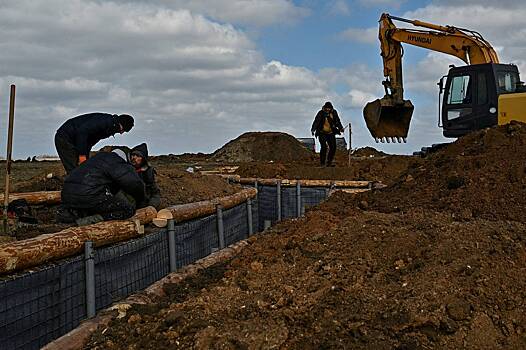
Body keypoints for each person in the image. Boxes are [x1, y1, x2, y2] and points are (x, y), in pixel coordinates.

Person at [57, 149, 145, 226]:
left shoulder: (96, 158)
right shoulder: (117, 162)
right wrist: (140, 200)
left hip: (66, 194)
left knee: (96, 201)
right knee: (128, 209)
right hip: (87, 196)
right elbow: (134, 183)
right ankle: (85, 222)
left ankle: (71, 213)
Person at [55, 112, 135, 174]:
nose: (121, 133)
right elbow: (82, 132)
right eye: (123, 130)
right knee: (74, 171)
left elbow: (89, 142)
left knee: (82, 169)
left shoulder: (109, 128)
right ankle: (73, 192)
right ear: (121, 124)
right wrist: (82, 155)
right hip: (65, 137)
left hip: (74, 140)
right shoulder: (105, 122)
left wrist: (85, 156)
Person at [311, 101, 344, 167]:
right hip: (321, 132)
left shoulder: (334, 113)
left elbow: (337, 121)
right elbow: (316, 121)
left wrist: (340, 128)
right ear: (325, 108)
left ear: (331, 108)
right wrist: (313, 129)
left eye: (329, 108)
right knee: (324, 147)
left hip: (331, 133)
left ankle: (329, 162)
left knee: (333, 147)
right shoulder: (321, 113)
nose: (328, 109)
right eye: (327, 108)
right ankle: (322, 163)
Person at [129, 143, 161, 209]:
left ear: (143, 159)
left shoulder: (148, 171)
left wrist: (151, 206)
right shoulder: (125, 170)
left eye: (138, 156)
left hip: (143, 204)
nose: (134, 157)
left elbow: (155, 193)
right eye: (133, 155)